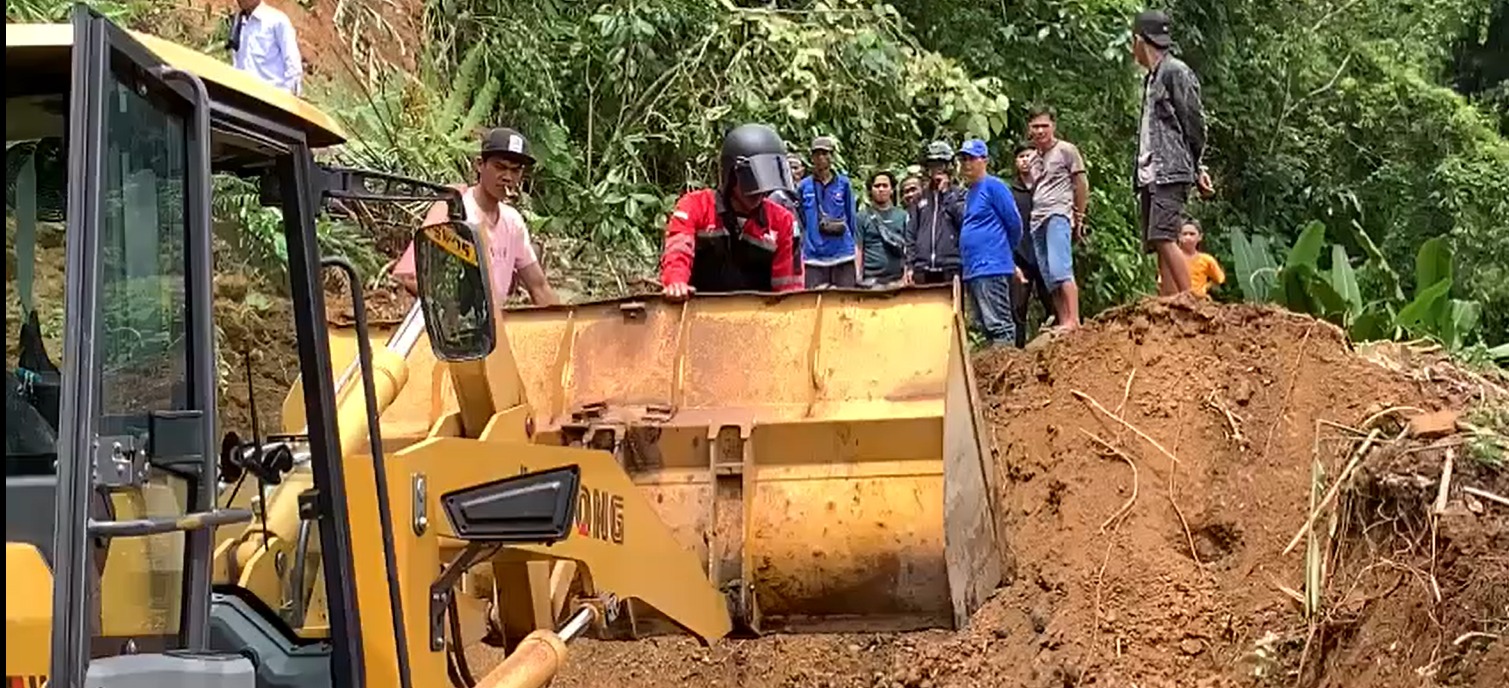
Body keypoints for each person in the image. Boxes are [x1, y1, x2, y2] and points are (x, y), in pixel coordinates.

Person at [392, 127, 560, 306]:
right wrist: (458, 309)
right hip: (453, 326)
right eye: (500, 167)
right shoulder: (454, 209)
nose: (507, 177)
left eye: (515, 170)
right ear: (480, 165)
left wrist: (563, 325)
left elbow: (539, 287)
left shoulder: (513, 222)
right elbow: (412, 277)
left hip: (493, 328)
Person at [659, 124, 802, 298]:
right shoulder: (696, 206)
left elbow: (790, 289)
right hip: (698, 314)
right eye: (752, 181)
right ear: (731, 177)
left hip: (760, 317)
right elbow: (679, 250)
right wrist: (676, 283)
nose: (759, 192)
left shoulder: (782, 221)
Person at [1132, 9, 1213, 296]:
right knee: (1157, 240)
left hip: (1171, 169)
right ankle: (1169, 303)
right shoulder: (1151, 78)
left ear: (1139, 41)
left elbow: (1194, 122)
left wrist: (1197, 166)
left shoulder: (1175, 72)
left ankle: (1192, 299)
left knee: (1165, 236)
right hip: (1150, 171)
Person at [956, 139, 1024, 347]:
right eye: (963, 159)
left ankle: (1008, 368)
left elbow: (1014, 223)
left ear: (984, 160)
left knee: (998, 324)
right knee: (983, 324)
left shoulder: (994, 186)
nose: (967, 164)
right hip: (974, 268)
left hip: (991, 265)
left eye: (971, 159)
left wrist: (1003, 252)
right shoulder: (970, 193)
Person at [1026, 106, 1088, 331]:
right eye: (1036, 126)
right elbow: (1034, 188)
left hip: (1058, 213)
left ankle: (1074, 319)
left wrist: (1079, 217)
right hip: (1037, 219)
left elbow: (1081, 183)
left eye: (1044, 125)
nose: (1040, 130)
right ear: (1029, 129)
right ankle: (1063, 320)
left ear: (1053, 126)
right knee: (1048, 274)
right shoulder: (1033, 158)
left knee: (1060, 266)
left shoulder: (1066, 150)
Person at [798, 136, 860, 288]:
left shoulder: (843, 183)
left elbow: (851, 216)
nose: (821, 158)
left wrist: (855, 248)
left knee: (845, 303)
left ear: (832, 156)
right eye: (817, 154)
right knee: (814, 304)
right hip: (814, 256)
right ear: (811, 157)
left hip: (842, 254)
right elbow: (800, 219)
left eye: (825, 153)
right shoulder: (804, 186)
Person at [1008, 141, 1054, 346]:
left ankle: (1058, 342)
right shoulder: (1010, 191)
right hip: (1020, 254)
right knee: (1017, 307)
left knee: (1053, 300)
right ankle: (1016, 349)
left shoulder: (1046, 186)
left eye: (1029, 156)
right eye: (1021, 157)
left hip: (1045, 251)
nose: (1025, 160)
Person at [904, 141, 965, 286]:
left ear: (948, 166)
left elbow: (964, 221)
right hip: (922, 267)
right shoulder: (920, 198)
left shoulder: (960, 194)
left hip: (951, 266)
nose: (936, 170)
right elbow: (911, 234)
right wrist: (910, 265)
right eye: (932, 165)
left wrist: (947, 194)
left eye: (940, 165)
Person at [227, 0, 304, 95]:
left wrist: (287, 98)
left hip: (271, 99)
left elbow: (293, 64)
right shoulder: (238, 22)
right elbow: (237, 62)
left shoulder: (277, 21)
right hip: (244, 96)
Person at [855, 171, 907, 287]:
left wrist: (906, 275)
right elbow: (858, 248)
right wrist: (858, 275)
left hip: (897, 279)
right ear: (871, 190)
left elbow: (908, 248)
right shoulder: (862, 217)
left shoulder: (902, 216)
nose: (881, 189)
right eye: (877, 186)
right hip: (871, 279)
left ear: (892, 190)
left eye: (885, 185)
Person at [1179, 219, 1225, 298]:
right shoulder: (1172, 259)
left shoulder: (1207, 260)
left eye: (1192, 234)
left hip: (1199, 302)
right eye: (1185, 234)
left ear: (1200, 237)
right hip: (1176, 300)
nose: (1188, 237)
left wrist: (1205, 288)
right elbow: (1162, 281)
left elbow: (1219, 279)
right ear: (1179, 237)